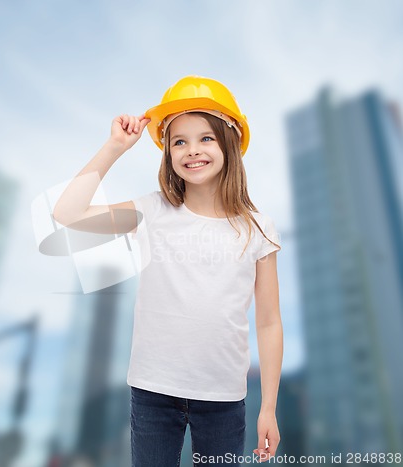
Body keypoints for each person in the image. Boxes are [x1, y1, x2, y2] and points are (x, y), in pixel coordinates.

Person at [52, 75, 283, 466]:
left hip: (224, 398)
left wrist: (269, 407)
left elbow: (269, 322)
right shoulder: (152, 211)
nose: (192, 150)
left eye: (206, 138)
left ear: (230, 142)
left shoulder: (258, 228)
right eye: (179, 141)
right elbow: (67, 214)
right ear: (167, 151)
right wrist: (114, 148)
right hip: (152, 393)